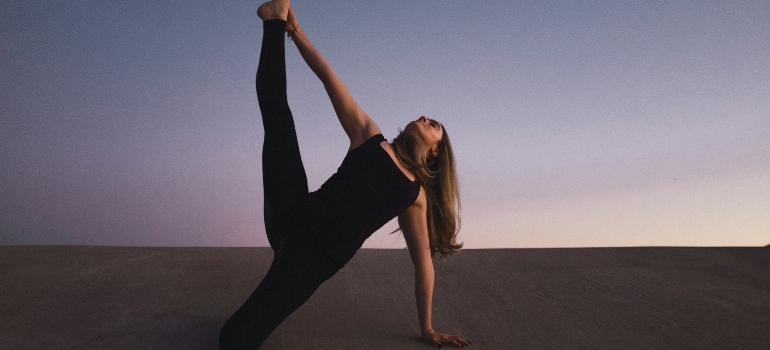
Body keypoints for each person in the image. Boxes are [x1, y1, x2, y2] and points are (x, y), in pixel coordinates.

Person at [219, 1, 470, 348]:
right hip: (294, 212)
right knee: (278, 117)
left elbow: (423, 264)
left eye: (434, 125)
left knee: (234, 339)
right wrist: (293, 30)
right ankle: (272, 20)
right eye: (426, 115)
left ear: (437, 150)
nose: (425, 117)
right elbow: (327, 75)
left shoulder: (415, 194)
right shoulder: (369, 135)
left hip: (313, 260)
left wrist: (427, 328)